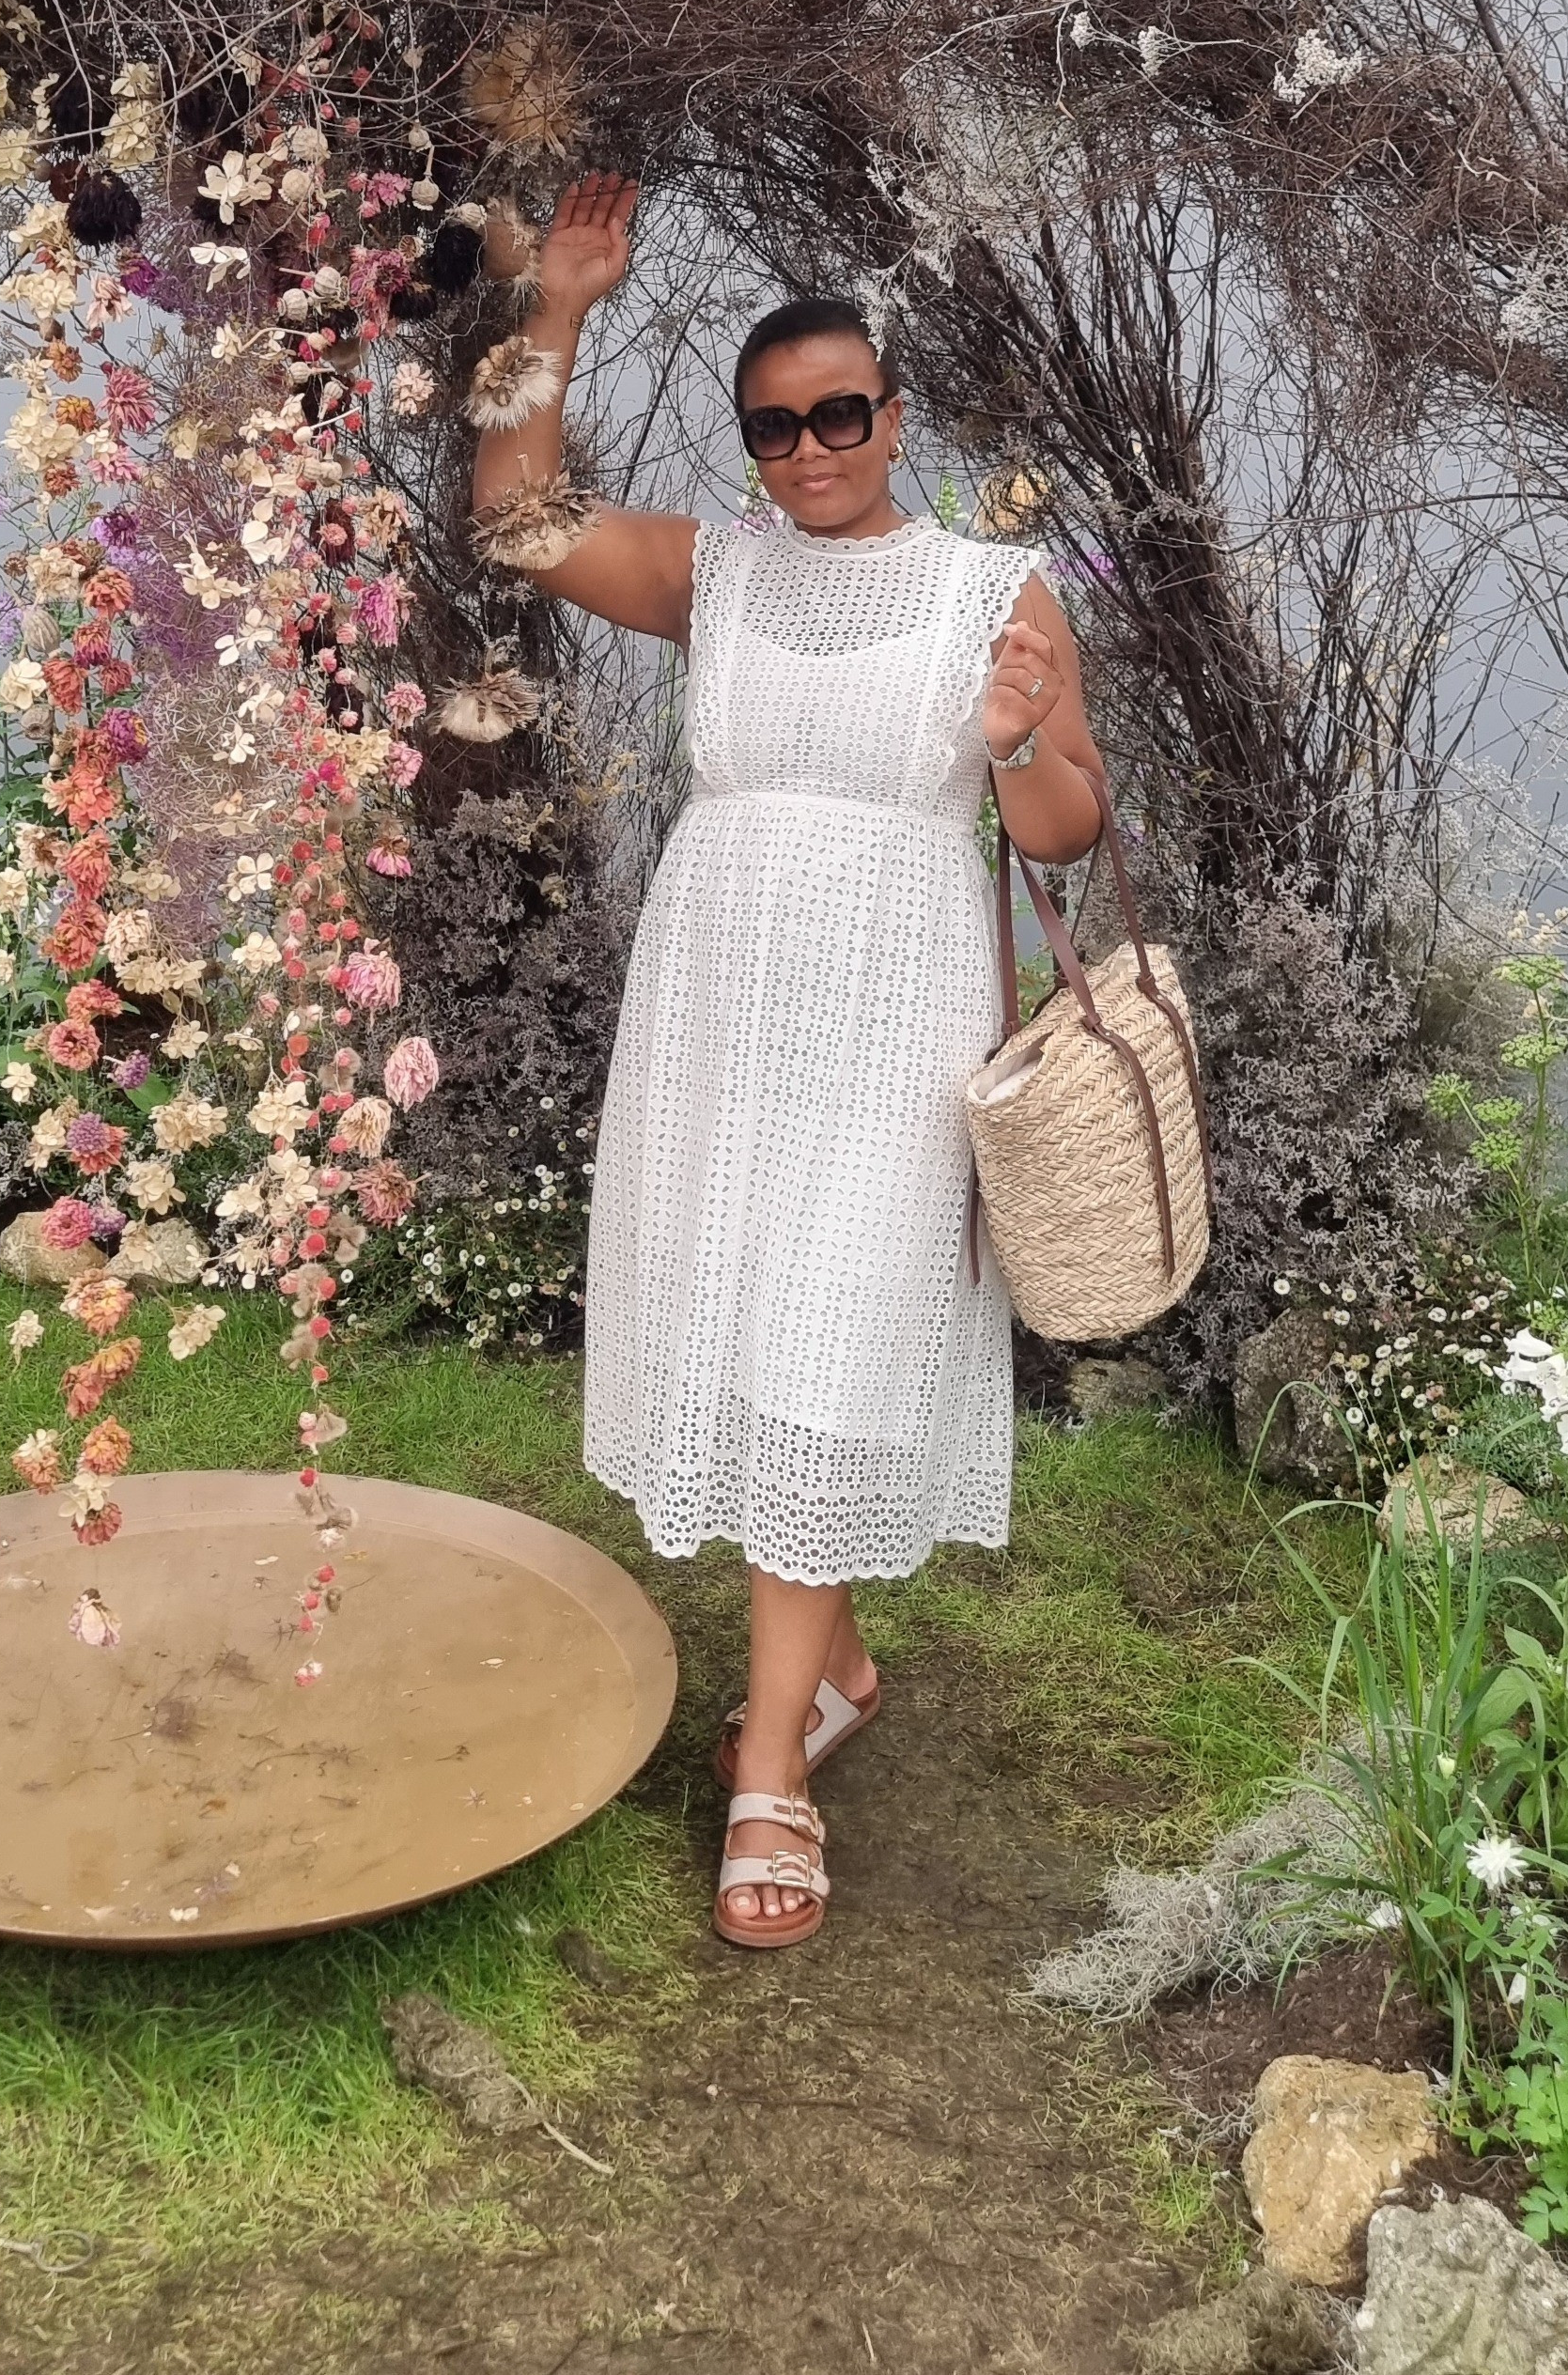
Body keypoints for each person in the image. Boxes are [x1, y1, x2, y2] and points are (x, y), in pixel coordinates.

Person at [471, 173, 1106, 1948]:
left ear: (895, 416)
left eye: (843, 412)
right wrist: (561, 316)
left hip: (892, 1023)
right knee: (746, 1326)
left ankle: (769, 1764)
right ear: (751, 443)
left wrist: (1012, 737)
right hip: (720, 1012)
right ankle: (823, 1660)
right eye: (777, 424)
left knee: (831, 1329)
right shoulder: (720, 570)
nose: (812, 445)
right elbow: (518, 522)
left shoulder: (997, 585)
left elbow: (1066, 830)